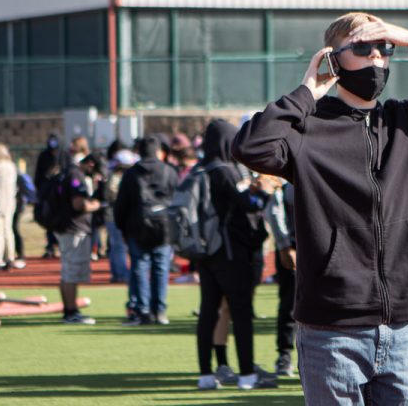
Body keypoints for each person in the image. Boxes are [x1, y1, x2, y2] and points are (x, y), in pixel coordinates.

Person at [233, 12, 408, 404]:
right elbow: (249, 147)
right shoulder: (308, 129)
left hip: (403, 329)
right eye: (363, 47)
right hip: (331, 331)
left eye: (383, 48)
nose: (376, 57)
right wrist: (306, 93)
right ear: (333, 59)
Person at [194, 119, 278, 391]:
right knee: (240, 311)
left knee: (208, 311)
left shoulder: (198, 170)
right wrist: (264, 192)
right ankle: (246, 375)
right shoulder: (225, 170)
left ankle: (206, 374)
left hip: (205, 250)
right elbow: (247, 206)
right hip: (230, 251)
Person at [115, 136, 177, 326]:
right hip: (164, 225)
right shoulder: (169, 171)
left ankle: (142, 310)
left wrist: (122, 227)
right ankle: (159, 310)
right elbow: (177, 199)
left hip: (137, 224)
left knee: (140, 267)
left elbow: (121, 204)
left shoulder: (131, 174)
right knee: (161, 268)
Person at [56, 153, 102, 325]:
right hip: (73, 228)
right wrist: (96, 204)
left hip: (66, 227)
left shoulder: (66, 172)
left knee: (68, 271)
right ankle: (71, 311)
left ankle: (70, 309)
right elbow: (79, 204)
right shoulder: (76, 175)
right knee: (71, 272)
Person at [266, 181, 297, 377]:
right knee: (289, 305)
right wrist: (286, 246)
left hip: (323, 250)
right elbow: (275, 212)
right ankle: (284, 355)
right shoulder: (286, 187)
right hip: (294, 249)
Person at [34, 133, 69, 258]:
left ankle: (60, 244)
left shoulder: (64, 155)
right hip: (48, 195)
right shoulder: (44, 156)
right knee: (48, 219)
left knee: (61, 219)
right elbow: (38, 176)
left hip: (61, 195)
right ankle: (50, 245)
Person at [104, 148, 135, 285]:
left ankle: (118, 273)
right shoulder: (117, 177)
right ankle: (121, 273)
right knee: (119, 246)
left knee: (116, 245)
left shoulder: (116, 175)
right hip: (115, 215)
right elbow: (114, 195)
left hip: (114, 214)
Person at [13, 159, 35, 270]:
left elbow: (28, 191)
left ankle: (20, 254)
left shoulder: (19, 176)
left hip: (16, 206)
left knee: (14, 228)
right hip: (14, 205)